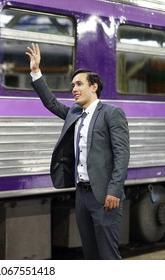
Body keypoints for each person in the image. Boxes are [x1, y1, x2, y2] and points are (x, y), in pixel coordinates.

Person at [26, 43, 130, 260]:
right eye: (73, 85)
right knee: (90, 253)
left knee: (108, 254)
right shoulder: (74, 113)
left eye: (79, 84)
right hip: (82, 194)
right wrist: (36, 72)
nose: (74, 89)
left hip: (104, 195)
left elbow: (122, 155)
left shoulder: (111, 113)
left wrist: (114, 190)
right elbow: (51, 103)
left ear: (94, 87)